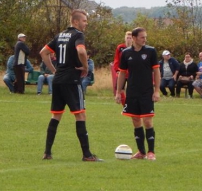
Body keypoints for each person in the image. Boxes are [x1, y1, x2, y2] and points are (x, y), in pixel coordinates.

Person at [40, 9, 103, 162]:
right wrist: (85, 67)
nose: (86, 24)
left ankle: (47, 153)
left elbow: (43, 53)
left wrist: (55, 70)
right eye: (84, 21)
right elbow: (81, 51)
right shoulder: (78, 35)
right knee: (80, 114)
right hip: (71, 81)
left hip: (58, 80)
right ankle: (87, 155)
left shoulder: (60, 35)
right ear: (76, 21)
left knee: (56, 115)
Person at [115, 27, 160, 161]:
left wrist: (156, 90)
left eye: (145, 37)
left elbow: (156, 72)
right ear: (134, 38)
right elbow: (122, 73)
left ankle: (151, 152)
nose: (145, 39)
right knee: (135, 120)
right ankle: (141, 151)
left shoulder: (151, 52)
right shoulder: (126, 53)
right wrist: (118, 92)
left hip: (146, 92)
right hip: (132, 92)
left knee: (147, 120)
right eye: (142, 37)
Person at [113, 31, 133, 106]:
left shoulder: (135, 48)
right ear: (125, 38)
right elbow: (116, 59)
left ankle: (132, 105)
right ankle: (125, 105)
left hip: (131, 73)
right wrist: (117, 70)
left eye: (130, 38)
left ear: (133, 39)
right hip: (122, 72)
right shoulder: (120, 47)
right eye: (127, 38)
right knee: (119, 89)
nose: (128, 39)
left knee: (131, 90)